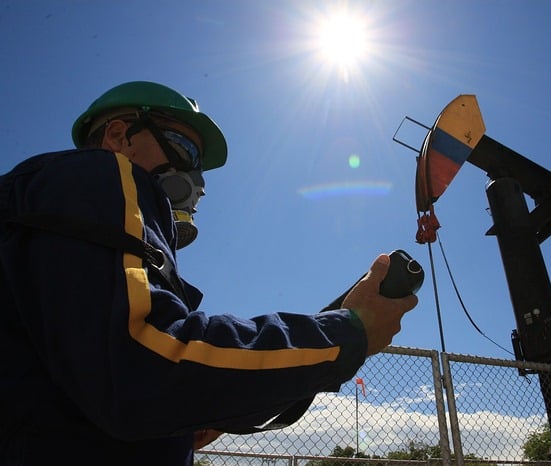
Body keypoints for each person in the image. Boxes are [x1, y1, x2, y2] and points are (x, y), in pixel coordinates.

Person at [0, 81, 418, 465]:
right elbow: (142, 366)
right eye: (184, 148)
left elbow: (97, 377)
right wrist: (346, 333)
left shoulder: (51, 214)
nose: (197, 178)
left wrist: (195, 411)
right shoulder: (100, 174)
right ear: (118, 137)